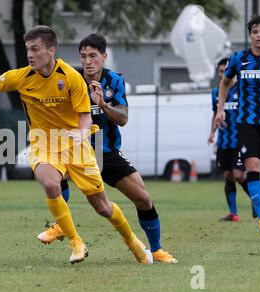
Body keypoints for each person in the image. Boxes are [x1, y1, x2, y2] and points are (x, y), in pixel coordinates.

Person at [0, 26, 152, 264]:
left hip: (75, 146)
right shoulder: (21, 76)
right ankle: (76, 243)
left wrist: (80, 135)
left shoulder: (70, 77)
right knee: (50, 184)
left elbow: (85, 115)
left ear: (51, 50)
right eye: (28, 49)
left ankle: (133, 242)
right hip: (43, 145)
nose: (30, 54)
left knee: (102, 207)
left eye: (35, 49)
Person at [37, 33, 177, 263]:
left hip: (106, 151)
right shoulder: (71, 79)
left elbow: (123, 118)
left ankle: (156, 249)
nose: (87, 61)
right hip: (75, 150)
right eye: (83, 56)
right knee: (54, 172)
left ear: (104, 56)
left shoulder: (114, 81)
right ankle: (60, 226)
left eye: (93, 56)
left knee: (142, 198)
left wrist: (102, 104)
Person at [215, 16, 260, 235]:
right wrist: (220, 109)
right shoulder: (239, 59)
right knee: (253, 170)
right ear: (250, 35)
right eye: (255, 32)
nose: (258, 35)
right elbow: (225, 83)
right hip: (247, 123)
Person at [208, 58, 255, 221]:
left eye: (226, 70)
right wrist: (212, 133)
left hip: (240, 140)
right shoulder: (216, 92)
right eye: (220, 71)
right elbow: (215, 114)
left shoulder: (242, 90)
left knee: (239, 175)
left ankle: (257, 202)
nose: (224, 74)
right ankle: (233, 213)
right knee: (228, 175)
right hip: (224, 142)